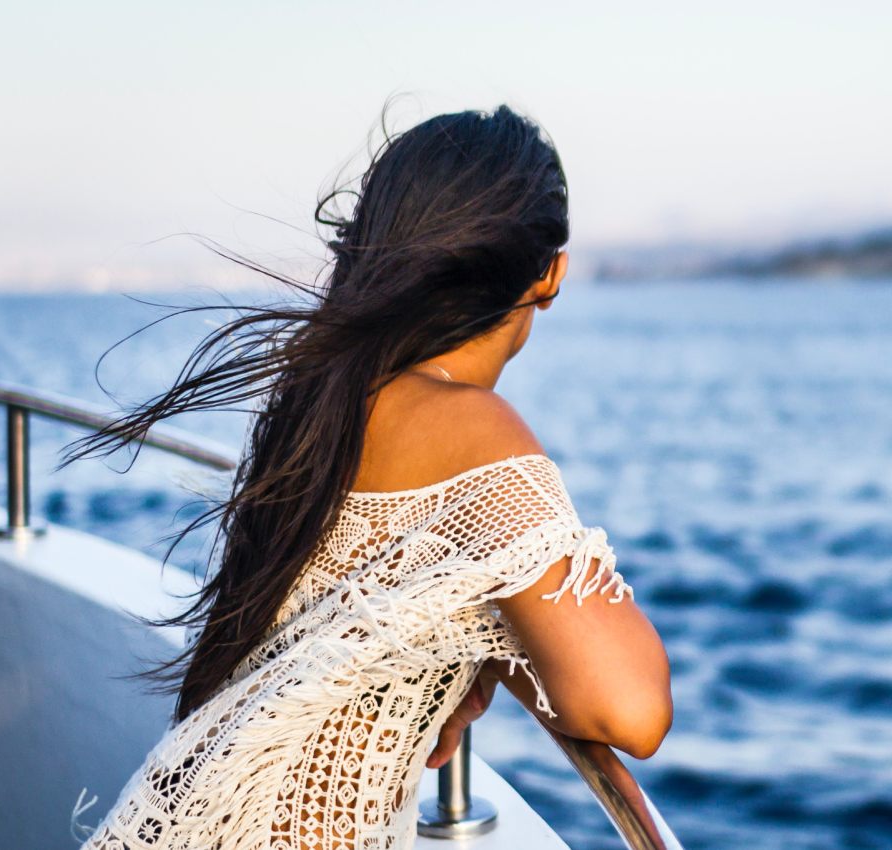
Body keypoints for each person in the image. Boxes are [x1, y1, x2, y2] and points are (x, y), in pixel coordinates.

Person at [60, 103, 673, 849]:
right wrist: (507, 625)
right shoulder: (473, 429)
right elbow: (629, 712)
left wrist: (487, 625)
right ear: (551, 275)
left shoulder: (326, 395)